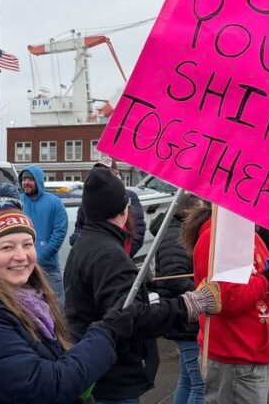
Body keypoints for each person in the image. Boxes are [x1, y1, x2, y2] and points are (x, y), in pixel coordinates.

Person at [0, 197, 156, 403]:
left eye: (27, 244)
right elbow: (47, 385)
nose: (20, 256)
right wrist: (106, 333)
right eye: (7, 247)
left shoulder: (28, 302)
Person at [65, 168, 215, 403]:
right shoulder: (108, 254)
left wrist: (145, 290)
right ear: (124, 210)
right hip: (113, 375)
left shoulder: (85, 244)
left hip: (96, 365)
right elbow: (131, 320)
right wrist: (185, 306)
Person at [185, 199, 269, 404]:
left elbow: (262, 281)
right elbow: (226, 300)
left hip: (252, 357)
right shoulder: (216, 238)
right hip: (235, 358)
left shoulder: (248, 235)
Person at [150, 193, 209, 404]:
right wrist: (205, 295)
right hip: (186, 319)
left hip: (184, 317)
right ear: (189, 211)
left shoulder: (177, 234)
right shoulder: (177, 238)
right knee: (200, 385)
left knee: (187, 380)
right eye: (200, 210)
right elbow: (173, 278)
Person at [74, 156, 147, 256]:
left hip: (119, 255)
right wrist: (79, 242)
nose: (102, 174)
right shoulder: (88, 199)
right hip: (93, 256)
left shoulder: (129, 196)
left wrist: (123, 254)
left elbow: (138, 230)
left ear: (116, 173)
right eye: (99, 170)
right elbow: (79, 227)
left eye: (107, 171)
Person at [17, 166, 69, 304]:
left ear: (38, 181)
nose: (26, 182)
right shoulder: (17, 202)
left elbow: (59, 233)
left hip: (48, 269)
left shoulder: (54, 203)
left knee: (56, 308)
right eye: (24, 179)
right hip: (22, 268)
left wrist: (39, 258)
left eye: (30, 179)